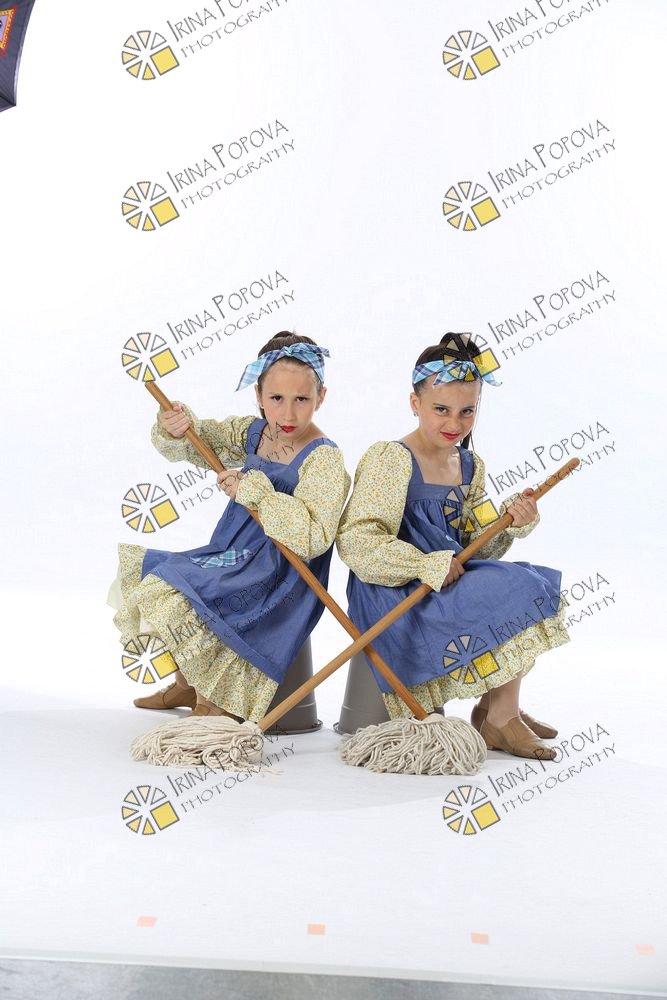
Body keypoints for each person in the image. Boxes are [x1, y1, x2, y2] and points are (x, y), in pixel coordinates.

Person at [335, 333, 571, 761]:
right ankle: (501, 718)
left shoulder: (468, 465)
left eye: (467, 411)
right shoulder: (391, 458)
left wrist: (509, 522)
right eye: (441, 409)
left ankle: (497, 709)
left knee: (529, 582)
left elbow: (472, 549)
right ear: (415, 403)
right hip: (396, 587)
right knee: (511, 587)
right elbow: (357, 541)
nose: (455, 424)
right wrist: (423, 564)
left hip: (447, 577)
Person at [109, 332, 351, 722]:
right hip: (232, 552)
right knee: (168, 578)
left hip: (279, 569)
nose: (288, 415)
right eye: (276, 398)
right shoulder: (255, 433)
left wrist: (254, 491)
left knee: (197, 595)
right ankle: (188, 681)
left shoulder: (323, 458)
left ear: (321, 397)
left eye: (302, 400)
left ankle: (214, 699)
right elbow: (204, 440)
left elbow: (314, 537)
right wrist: (179, 426)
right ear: (259, 395)